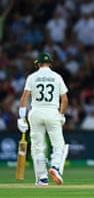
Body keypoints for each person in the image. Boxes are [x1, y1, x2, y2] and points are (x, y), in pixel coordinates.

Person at [17, 53, 69, 186]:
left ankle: (42, 178)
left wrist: (21, 118)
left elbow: (24, 99)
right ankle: (56, 167)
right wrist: (61, 115)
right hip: (52, 112)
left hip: (36, 112)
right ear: (50, 63)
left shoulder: (32, 77)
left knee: (37, 147)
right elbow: (64, 99)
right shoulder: (57, 77)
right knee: (59, 145)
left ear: (38, 64)